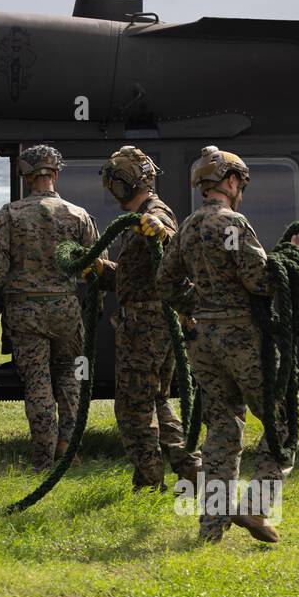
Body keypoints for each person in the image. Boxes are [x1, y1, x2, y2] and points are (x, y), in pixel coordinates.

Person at [156, 145, 299, 544]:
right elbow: (259, 281)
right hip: (244, 337)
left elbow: (165, 283)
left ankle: (211, 528)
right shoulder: (234, 224)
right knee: (280, 425)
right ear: (232, 180)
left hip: (203, 341)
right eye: (242, 182)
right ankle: (257, 508)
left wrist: (199, 306)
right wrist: (291, 258)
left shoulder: (186, 227)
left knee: (221, 429)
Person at [0, 144, 104, 471]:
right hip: (66, 310)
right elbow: (96, 268)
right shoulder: (79, 215)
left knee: (37, 381)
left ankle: (42, 459)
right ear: (55, 173)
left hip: (25, 313)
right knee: (68, 376)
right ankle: (68, 446)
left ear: (25, 175)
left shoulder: (9, 215)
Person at [93, 146, 201, 491]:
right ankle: (192, 468)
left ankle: (149, 484)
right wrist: (99, 268)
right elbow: (135, 276)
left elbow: (175, 251)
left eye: (115, 182)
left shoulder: (154, 215)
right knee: (155, 400)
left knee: (132, 408)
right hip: (151, 324)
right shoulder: (139, 218)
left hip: (147, 327)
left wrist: (161, 231)